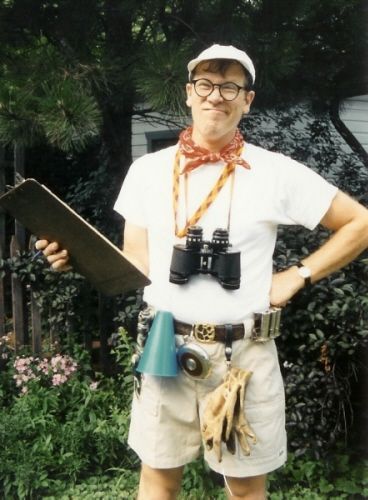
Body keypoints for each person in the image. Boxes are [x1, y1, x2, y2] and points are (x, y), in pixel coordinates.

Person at [36, 44, 368, 500]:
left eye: (231, 86)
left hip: (243, 355)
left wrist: (297, 275)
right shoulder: (148, 171)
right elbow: (139, 265)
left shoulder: (274, 172)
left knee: (247, 489)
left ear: (247, 100)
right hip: (162, 347)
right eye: (206, 84)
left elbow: (360, 222)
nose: (217, 95)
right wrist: (76, 257)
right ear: (188, 94)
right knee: (157, 479)